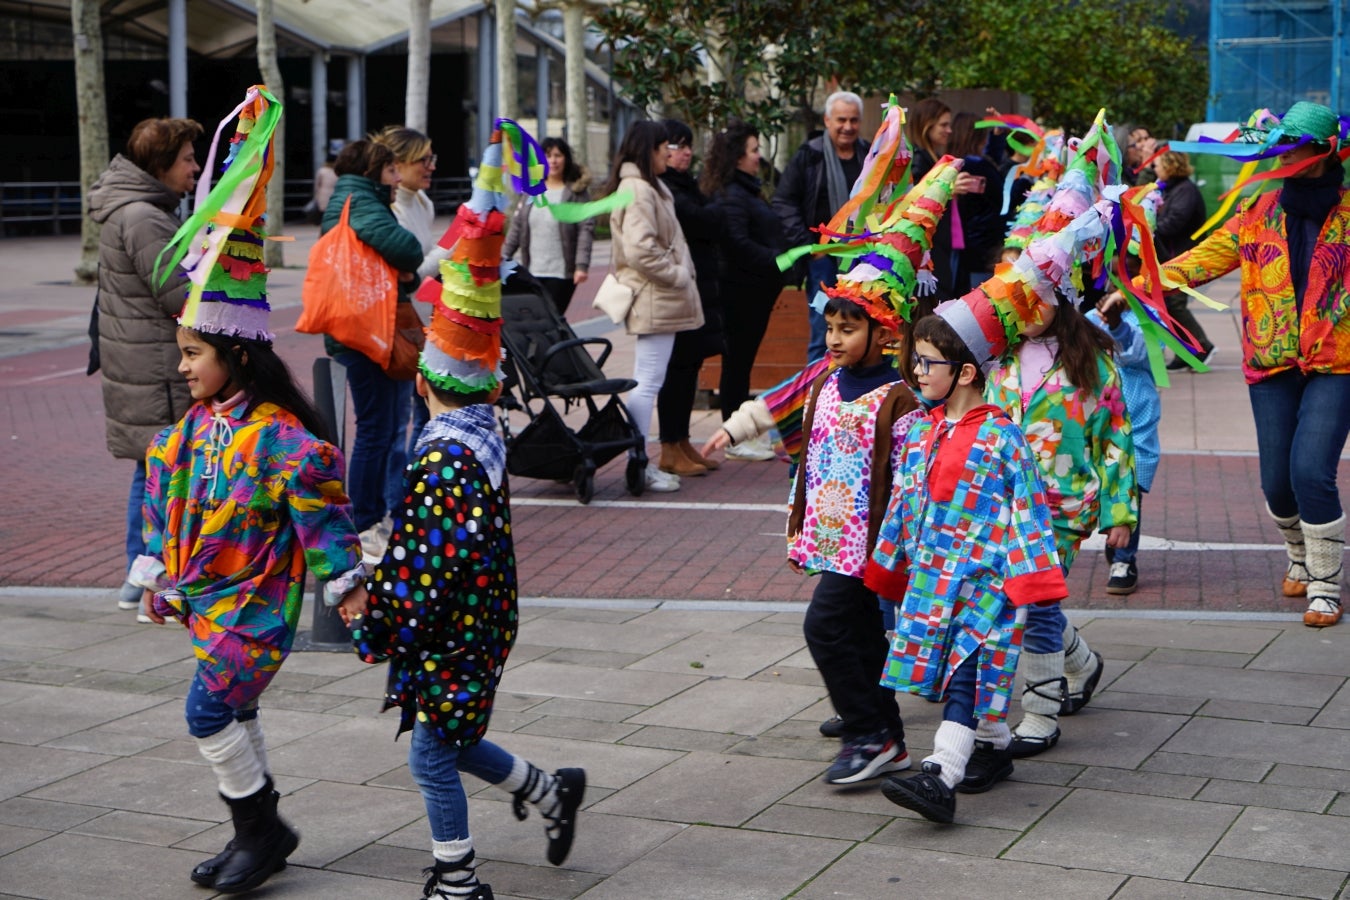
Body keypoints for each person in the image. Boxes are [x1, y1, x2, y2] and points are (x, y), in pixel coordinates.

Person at [129, 96, 369, 889]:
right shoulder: (192, 428)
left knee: (205, 713)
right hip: (208, 599)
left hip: (259, 609)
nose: (183, 366)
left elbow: (324, 519)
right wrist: (154, 567)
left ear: (236, 354)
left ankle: (262, 828)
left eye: (194, 352)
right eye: (181, 352)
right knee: (235, 714)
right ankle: (257, 836)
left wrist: (347, 584)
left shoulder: (280, 439)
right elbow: (162, 492)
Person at [351, 181, 585, 897]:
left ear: (425, 387)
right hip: (478, 623)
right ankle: (549, 790)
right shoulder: (478, 438)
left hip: (450, 629)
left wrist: (379, 618)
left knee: (430, 757)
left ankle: (457, 882)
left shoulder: (439, 456)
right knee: (449, 737)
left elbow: (427, 561)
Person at [1125, 101, 1350, 627]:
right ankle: (1298, 556)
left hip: (1335, 362)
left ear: (1322, 152)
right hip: (1271, 361)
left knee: (1311, 470)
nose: (1287, 156)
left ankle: (1325, 582)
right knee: (1276, 481)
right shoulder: (1259, 210)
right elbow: (1200, 260)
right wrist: (1134, 290)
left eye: (1297, 147)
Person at [870, 311, 1067, 823]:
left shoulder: (1003, 436)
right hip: (934, 580)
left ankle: (941, 774)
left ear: (965, 372)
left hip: (986, 581)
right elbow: (902, 504)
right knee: (966, 674)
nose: (915, 370)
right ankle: (994, 746)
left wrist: (1031, 579)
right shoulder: (920, 430)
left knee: (965, 672)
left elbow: (1028, 508)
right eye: (914, 359)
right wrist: (890, 568)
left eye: (927, 361)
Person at [985, 299, 1135, 757]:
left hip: (1062, 508)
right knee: (1020, 599)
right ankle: (1082, 663)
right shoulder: (997, 355)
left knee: (1036, 604)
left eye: (1037, 296)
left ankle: (1041, 715)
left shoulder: (1091, 360)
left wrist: (1120, 512)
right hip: (1002, 503)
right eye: (1014, 294)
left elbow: (1115, 436)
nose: (1024, 306)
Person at [87, 116, 203, 617]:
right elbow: (179, 293)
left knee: (152, 468)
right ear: (160, 165)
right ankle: (149, 577)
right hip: (155, 363)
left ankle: (141, 579)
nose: (195, 168)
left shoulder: (136, 210)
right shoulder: (144, 218)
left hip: (139, 357)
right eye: (187, 159)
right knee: (160, 471)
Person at [320, 138, 424, 559]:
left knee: (379, 429)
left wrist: (405, 277)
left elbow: (398, 267)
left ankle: (372, 516)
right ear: (372, 172)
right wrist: (406, 269)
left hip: (363, 326)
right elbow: (407, 249)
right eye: (390, 171)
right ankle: (364, 523)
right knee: (376, 431)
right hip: (362, 331)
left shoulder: (354, 199)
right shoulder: (361, 202)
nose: (397, 179)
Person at [604, 120, 704, 493]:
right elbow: (639, 248)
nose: (669, 152)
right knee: (647, 382)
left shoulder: (646, 188)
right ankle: (639, 462)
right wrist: (676, 274)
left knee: (648, 380)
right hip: (654, 296)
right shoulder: (640, 190)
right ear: (649, 149)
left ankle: (639, 460)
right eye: (664, 146)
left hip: (656, 296)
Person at [702, 122, 788, 464]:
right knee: (737, 363)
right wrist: (777, 261)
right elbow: (737, 243)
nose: (758, 156)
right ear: (737, 157)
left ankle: (738, 431)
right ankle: (735, 436)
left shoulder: (744, 190)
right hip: (740, 291)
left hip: (753, 290)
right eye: (753, 150)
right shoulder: (731, 195)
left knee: (741, 362)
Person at [772, 90, 870, 363]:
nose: (847, 127)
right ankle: (817, 397)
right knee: (823, 330)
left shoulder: (870, 155)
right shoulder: (810, 156)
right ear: (827, 121)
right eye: (841, 120)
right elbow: (783, 201)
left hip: (863, 258)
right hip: (822, 261)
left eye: (853, 120)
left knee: (863, 325)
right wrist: (807, 244)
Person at [374, 125, 439, 521]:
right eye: (423, 160)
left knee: (423, 411)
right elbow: (409, 270)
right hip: (399, 324)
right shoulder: (393, 208)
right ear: (397, 164)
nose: (430, 167)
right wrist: (449, 251)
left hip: (423, 322)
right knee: (397, 422)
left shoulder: (422, 203)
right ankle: (397, 504)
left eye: (432, 159)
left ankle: (412, 495)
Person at [656, 119, 725, 477]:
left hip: (697, 287)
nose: (685, 152)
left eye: (687, 145)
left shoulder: (686, 185)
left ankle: (681, 441)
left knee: (689, 367)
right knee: (676, 370)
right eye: (677, 145)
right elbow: (701, 220)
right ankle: (668, 446)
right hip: (678, 289)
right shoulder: (665, 189)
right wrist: (716, 211)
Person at [1086, 291, 1161, 596]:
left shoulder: (1150, 319)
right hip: (1100, 417)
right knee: (1101, 482)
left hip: (1137, 416)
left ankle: (1123, 560)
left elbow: (1137, 353)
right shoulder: (1089, 319)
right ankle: (1113, 531)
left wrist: (1117, 324)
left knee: (1131, 483)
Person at [503, 136, 596, 315]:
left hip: (561, 273)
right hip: (533, 270)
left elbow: (586, 230)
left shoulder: (576, 193)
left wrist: (581, 266)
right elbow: (517, 227)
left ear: (566, 159)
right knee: (537, 320)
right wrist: (502, 258)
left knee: (552, 317)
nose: (553, 161)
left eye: (558, 155)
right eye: (547, 156)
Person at [1151, 150, 1216, 369]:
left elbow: (1173, 224)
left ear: (1170, 166)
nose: (1155, 168)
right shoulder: (1173, 189)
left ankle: (1202, 347)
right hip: (1174, 256)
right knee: (1170, 305)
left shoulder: (1184, 191)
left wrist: (1149, 227)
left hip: (1184, 257)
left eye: (1158, 164)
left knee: (1175, 305)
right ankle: (1186, 351)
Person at [947, 111, 1005, 293]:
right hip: (981, 246)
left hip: (965, 244)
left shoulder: (955, 162)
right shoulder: (976, 165)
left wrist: (997, 137)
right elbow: (995, 193)